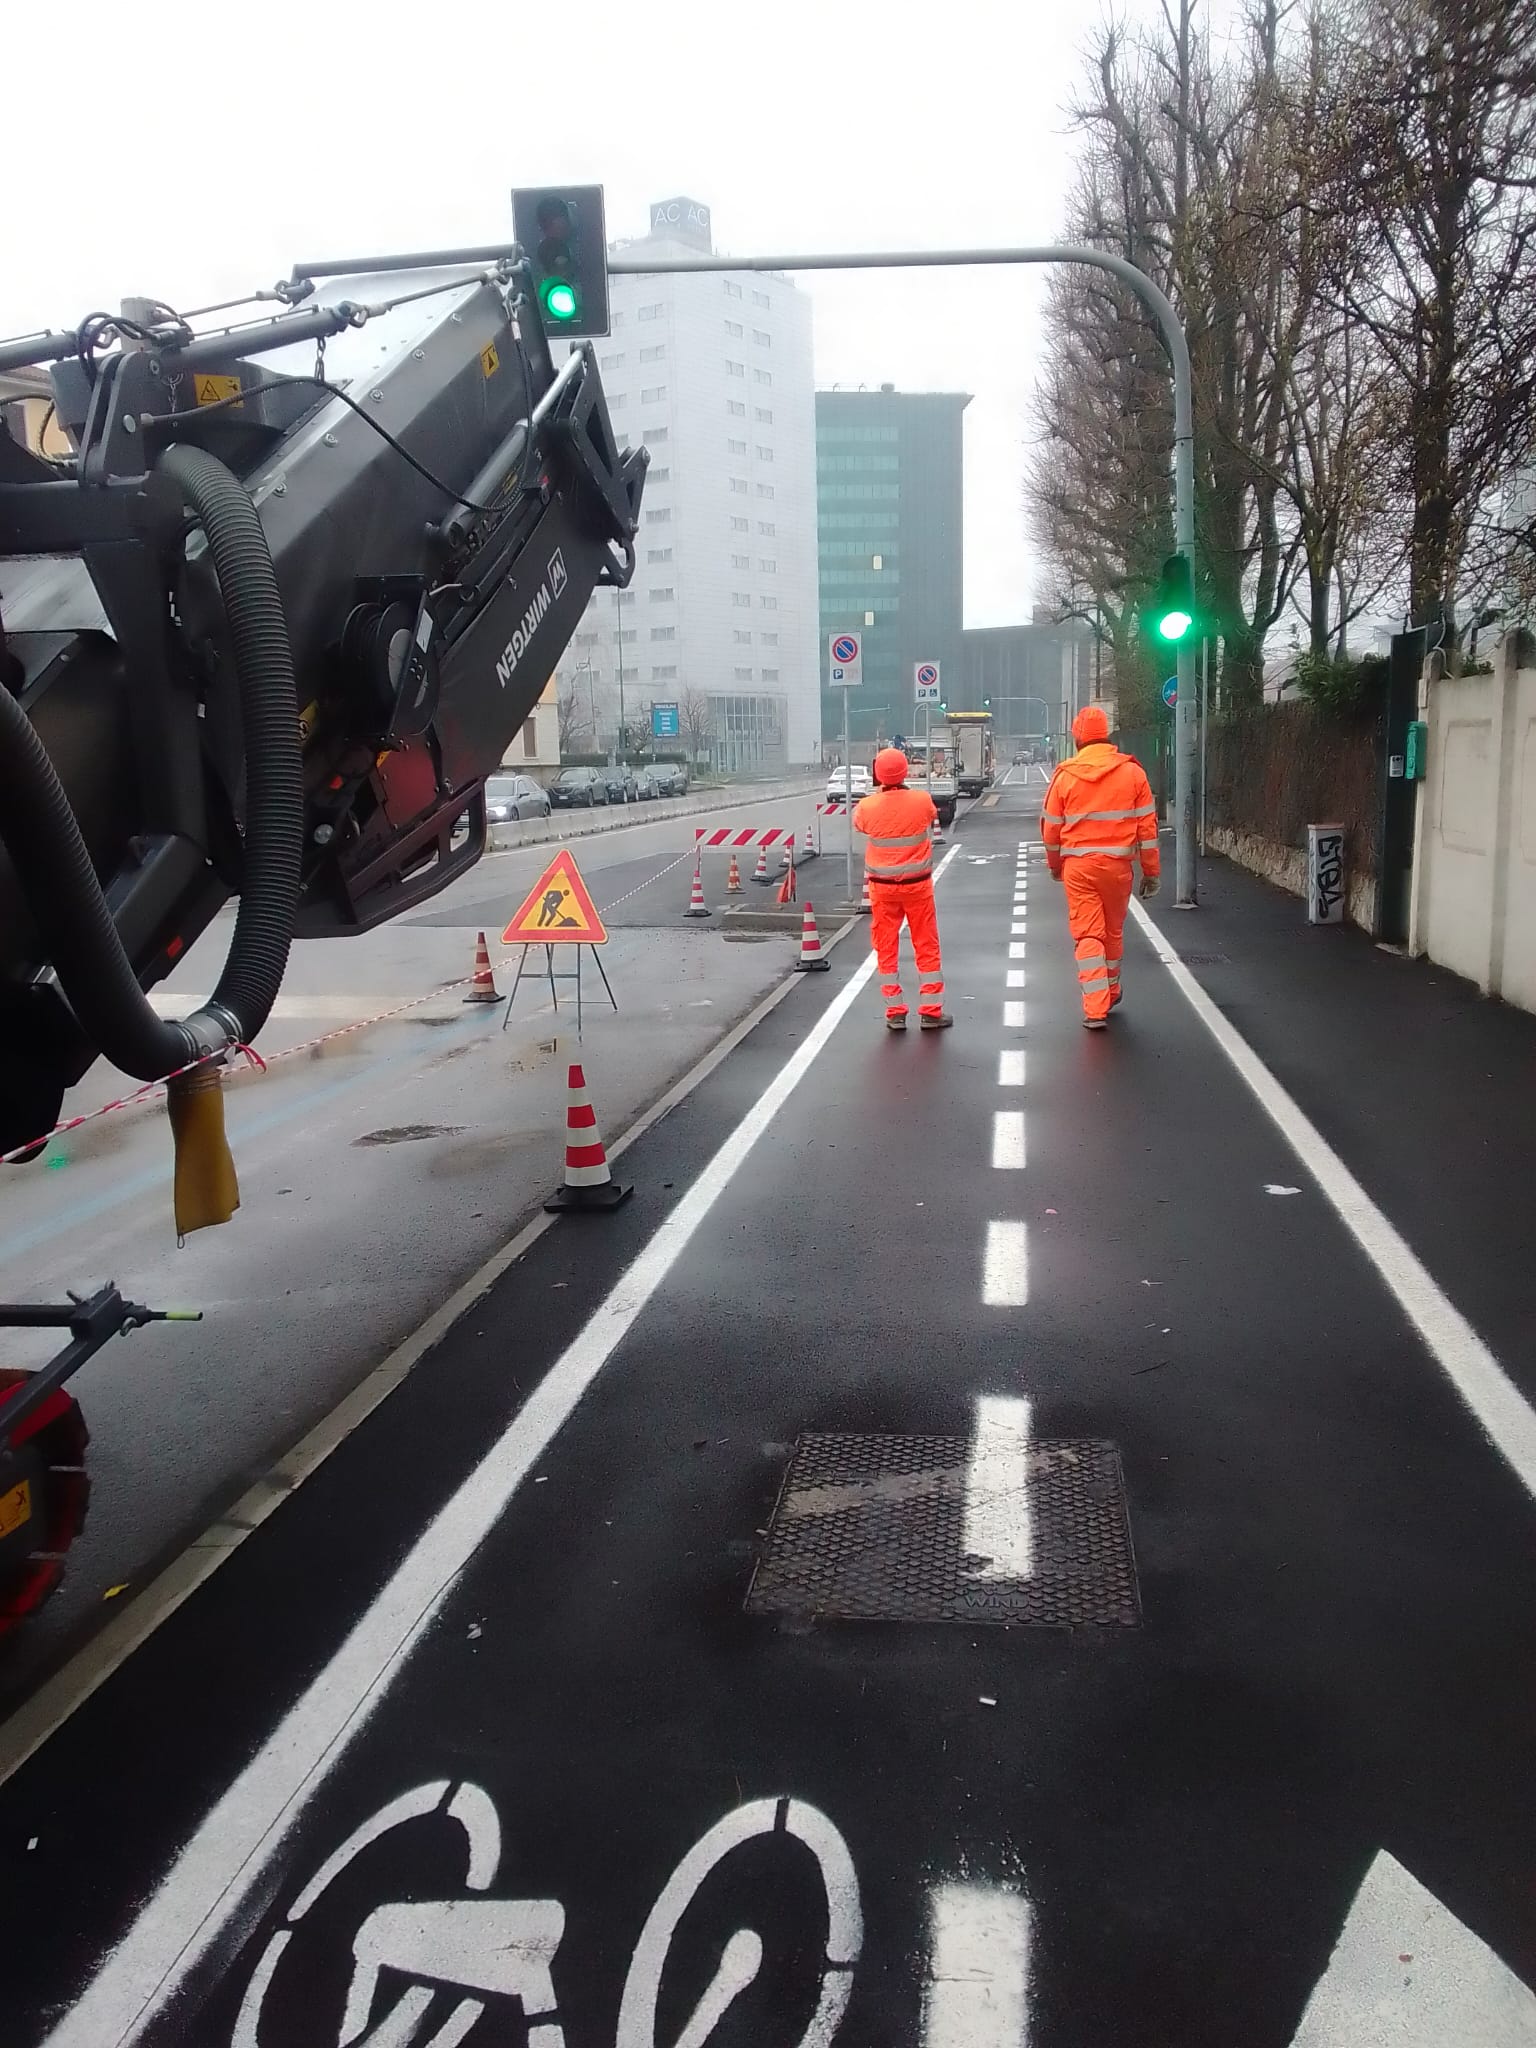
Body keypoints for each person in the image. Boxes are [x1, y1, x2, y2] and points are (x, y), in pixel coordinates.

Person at [1041, 705, 1160, 1029]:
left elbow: (1051, 831)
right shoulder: (1132, 773)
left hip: (1078, 868)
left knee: (1088, 934)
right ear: (1106, 735)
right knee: (1112, 931)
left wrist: (1055, 865)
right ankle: (1111, 989)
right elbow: (1148, 830)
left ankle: (1096, 1007)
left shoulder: (1065, 776)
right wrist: (1151, 872)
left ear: (1078, 738)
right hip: (1118, 867)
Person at [853, 747, 952, 1032]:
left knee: (886, 946)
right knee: (926, 945)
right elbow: (930, 816)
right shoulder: (921, 800)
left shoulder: (867, 807)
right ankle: (931, 1012)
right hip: (917, 887)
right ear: (905, 770)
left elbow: (859, 824)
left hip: (882, 889)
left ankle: (895, 1012)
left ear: (877, 773)